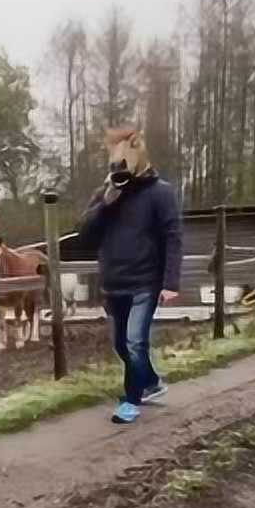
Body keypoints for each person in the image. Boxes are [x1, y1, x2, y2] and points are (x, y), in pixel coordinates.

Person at [78, 128, 183, 425]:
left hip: (144, 283)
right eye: (114, 165)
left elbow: (173, 238)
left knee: (136, 341)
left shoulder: (160, 192)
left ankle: (130, 401)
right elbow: (84, 235)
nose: (119, 170)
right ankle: (151, 382)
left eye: (123, 163)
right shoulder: (106, 193)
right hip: (113, 284)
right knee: (121, 346)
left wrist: (170, 283)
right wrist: (105, 204)